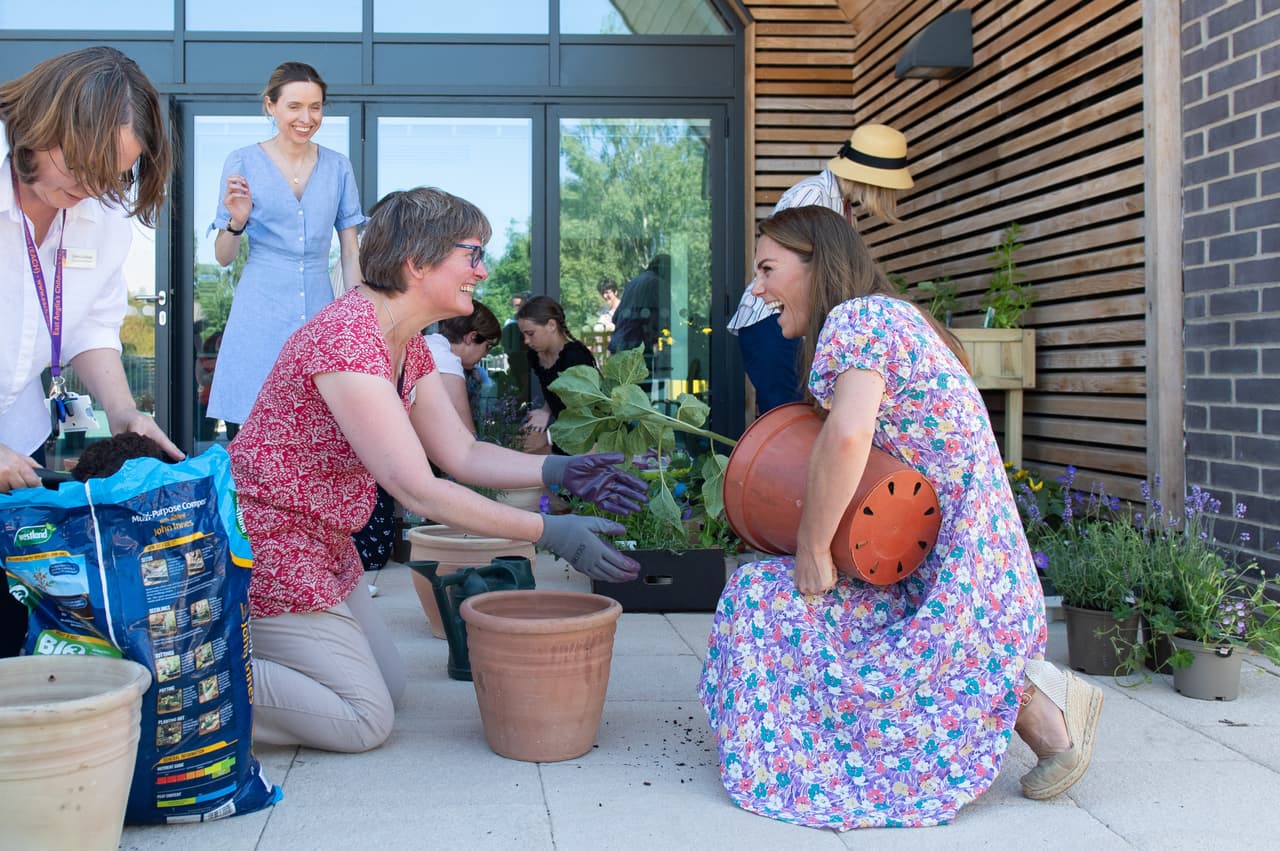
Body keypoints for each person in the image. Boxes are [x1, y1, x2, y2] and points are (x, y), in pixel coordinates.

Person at [699, 206, 1103, 829]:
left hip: (957, 583)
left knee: (764, 596)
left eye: (768, 269)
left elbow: (848, 435)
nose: (757, 288)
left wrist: (810, 548)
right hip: (954, 570)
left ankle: (1040, 715)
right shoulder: (893, 317)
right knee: (769, 596)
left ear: (818, 265)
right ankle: (1044, 712)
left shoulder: (859, 316)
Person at [227, 187, 647, 753]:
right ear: (417, 261)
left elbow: (463, 455)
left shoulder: (410, 345)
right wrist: (549, 532)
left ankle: (250, 648)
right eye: (472, 254)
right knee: (362, 719)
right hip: (268, 544)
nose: (483, 269)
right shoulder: (347, 338)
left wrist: (560, 472)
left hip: (324, 542)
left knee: (390, 690)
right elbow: (415, 487)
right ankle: (186, 680)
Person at [1, 47, 183, 655]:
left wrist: (125, 412)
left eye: (118, 174)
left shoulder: (98, 213)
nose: (98, 187)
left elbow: (92, 328)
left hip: (16, 447)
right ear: (43, 124)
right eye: (86, 165)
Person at [207, 61, 366, 429]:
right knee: (254, 428)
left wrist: (357, 316)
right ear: (270, 105)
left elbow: (350, 252)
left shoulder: (339, 166)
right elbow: (223, 257)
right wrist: (236, 221)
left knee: (318, 425)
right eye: (294, 106)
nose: (306, 117)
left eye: (315, 106)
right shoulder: (243, 161)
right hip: (259, 310)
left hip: (318, 308)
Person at [727, 123, 913, 415]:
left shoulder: (840, 205)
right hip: (774, 319)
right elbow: (773, 261)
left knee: (796, 421)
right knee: (788, 421)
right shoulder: (812, 197)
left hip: (791, 324)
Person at [516, 295, 597, 456]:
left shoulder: (576, 356)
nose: (526, 341)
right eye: (524, 334)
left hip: (592, 440)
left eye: (530, 333)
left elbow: (585, 413)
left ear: (551, 325)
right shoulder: (535, 355)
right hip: (565, 436)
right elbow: (556, 391)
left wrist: (548, 437)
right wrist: (545, 411)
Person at [423, 300, 501, 434]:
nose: (485, 354)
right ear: (472, 336)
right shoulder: (446, 360)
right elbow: (466, 435)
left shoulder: (428, 343)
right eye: (488, 346)